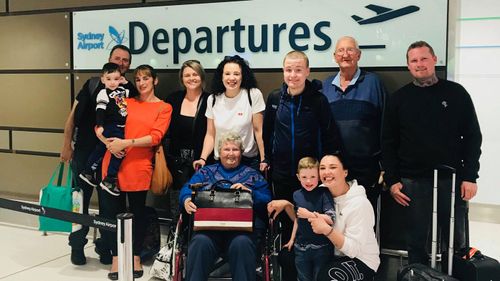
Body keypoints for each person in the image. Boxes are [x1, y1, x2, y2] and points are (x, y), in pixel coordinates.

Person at [381, 40, 482, 265]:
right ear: (408, 65)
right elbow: (388, 143)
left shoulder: (456, 93)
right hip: (412, 182)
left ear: (435, 59)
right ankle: (419, 275)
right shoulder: (398, 99)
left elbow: (473, 137)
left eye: (424, 58)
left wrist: (470, 176)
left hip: (452, 180)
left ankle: (453, 276)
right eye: (414, 60)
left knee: (455, 241)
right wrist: (393, 180)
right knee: (416, 241)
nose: (419, 64)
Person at [263, 51, 339, 280]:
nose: (293, 75)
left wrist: (325, 171)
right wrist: (268, 160)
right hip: (284, 176)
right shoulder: (275, 98)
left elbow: (329, 136)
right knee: (288, 229)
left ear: (307, 71)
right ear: (283, 71)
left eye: (298, 70)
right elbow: (267, 134)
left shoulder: (318, 100)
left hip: (311, 178)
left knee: (313, 228)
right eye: (288, 70)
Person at [59, 45, 132, 266]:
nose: (121, 62)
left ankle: (106, 247)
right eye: (117, 58)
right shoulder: (92, 85)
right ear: (109, 60)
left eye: (125, 60)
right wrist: (66, 144)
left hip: (111, 156)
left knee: (110, 205)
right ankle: (77, 245)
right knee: (79, 201)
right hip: (83, 152)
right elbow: (72, 116)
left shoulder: (127, 92)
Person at [99, 64, 172, 280]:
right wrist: (109, 143)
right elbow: (100, 122)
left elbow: (155, 137)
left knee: (137, 214)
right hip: (112, 164)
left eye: (146, 79)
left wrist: (125, 143)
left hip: (139, 166)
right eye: (138, 79)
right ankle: (115, 258)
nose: (141, 83)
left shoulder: (163, 107)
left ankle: (135, 256)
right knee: (112, 213)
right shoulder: (125, 101)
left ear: (155, 81)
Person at [268, 153, 380, 281]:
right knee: (287, 257)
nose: (327, 172)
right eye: (322, 168)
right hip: (329, 252)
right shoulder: (319, 191)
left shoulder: (359, 204)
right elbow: (304, 220)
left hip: (360, 259)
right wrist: (287, 205)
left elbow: (353, 250)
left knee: (327, 277)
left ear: (345, 172)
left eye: (332, 167)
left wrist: (327, 230)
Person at [180, 132, 272, 281]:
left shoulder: (252, 175)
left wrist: (251, 193)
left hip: (242, 232)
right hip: (209, 230)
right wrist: (185, 199)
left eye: (235, 149)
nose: (231, 154)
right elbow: (187, 188)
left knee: (241, 244)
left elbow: (268, 200)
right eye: (226, 149)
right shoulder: (206, 172)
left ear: (241, 153)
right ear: (218, 152)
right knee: (199, 243)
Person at [322, 36, 386, 211]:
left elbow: (385, 126)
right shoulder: (325, 86)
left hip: (367, 170)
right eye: (341, 51)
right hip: (335, 170)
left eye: (350, 50)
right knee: (337, 221)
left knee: (365, 222)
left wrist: (384, 166)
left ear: (359, 55)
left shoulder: (373, 83)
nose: (345, 55)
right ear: (335, 57)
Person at [192, 55, 266, 172]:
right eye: (227, 74)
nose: (231, 78)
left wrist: (263, 159)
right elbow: (210, 134)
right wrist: (203, 158)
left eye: (236, 74)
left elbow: (259, 130)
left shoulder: (253, 95)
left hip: (248, 161)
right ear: (221, 77)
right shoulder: (213, 99)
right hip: (221, 162)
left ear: (243, 76)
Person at [161, 59, 211, 221]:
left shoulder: (211, 100)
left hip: (202, 162)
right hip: (176, 164)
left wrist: (203, 157)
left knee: (200, 204)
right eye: (187, 75)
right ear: (182, 79)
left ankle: (195, 239)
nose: (191, 78)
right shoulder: (173, 99)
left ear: (202, 77)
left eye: (195, 74)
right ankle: (177, 239)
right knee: (178, 204)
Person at [78, 62, 137, 196]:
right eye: (109, 79)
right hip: (111, 125)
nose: (112, 82)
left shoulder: (122, 90)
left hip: (121, 126)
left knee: (101, 149)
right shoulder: (102, 93)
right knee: (119, 151)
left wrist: (126, 82)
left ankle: (87, 171)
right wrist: (100, 126)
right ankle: (110, 178)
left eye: (116, 79)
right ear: (103, 79)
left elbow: (134, 93)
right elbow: (100, 111)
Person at [282, 157, 335, 281]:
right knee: (302, 278)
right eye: (304, 177)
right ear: (298, 177)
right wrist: (291, 239)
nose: (309, 181)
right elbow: (297, 219)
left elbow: (330, 219)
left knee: (320, 278)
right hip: (301, 247)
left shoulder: (324, 193)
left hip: (322, 247)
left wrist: (310, 214)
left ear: (319, 176)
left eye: (313, 177)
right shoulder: (296, 194)